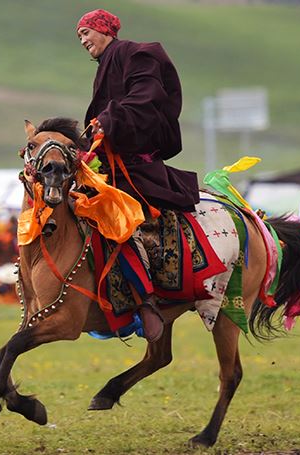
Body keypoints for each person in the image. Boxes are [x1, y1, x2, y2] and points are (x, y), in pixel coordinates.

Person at [77, 9, 200, 342]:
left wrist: (109, 120)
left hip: (137, 169)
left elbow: (146, 99)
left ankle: (145, 300)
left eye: (87, 32)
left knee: (118, 223)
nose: (83, 40)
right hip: (113, 165)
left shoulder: (138, 53)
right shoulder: (106, 65)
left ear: (105, 30)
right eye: (80, 37)